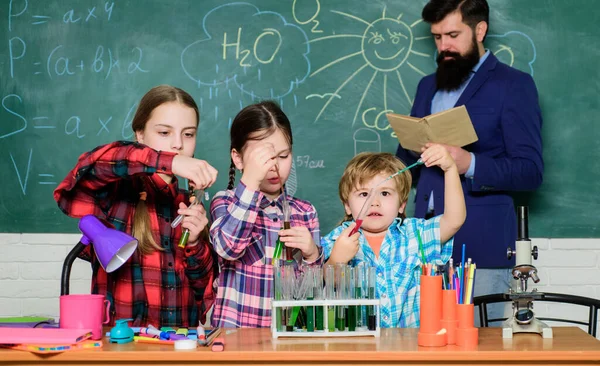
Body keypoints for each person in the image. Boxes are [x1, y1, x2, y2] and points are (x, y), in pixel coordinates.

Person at [395, 0, 544, 318]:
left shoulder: (514, 86)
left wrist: (470, 164)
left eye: (452, 35)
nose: (443, 46)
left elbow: (530, 171)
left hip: (481, 246)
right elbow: (405, 163)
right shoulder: (427, 86)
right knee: (427, 343)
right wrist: (411, 146)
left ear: (480, 30)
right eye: (437, 37)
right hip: (424, 245)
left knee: (477, 345)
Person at [54, 85, 218, 327]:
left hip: (179, 350)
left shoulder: (190, 204)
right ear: (140, 135)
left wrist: (195, 244)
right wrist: (168, 162)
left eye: (188, 134)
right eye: (164, 132)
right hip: (122, 353)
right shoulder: (115, 192)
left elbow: (203, 300)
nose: (178, 145)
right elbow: (91, 166)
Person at [321, 148, 466, 327]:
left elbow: (454, 220)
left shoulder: (415, 234)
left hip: (413, 348)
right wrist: (336, 260)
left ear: (401, 205)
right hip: (359, 349)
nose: (375, 202)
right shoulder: (337, 240)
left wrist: (450, 169)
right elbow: (322, 286)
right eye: (364, 194)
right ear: (347, 206)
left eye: (385, 193)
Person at [210, 100, 321, 328]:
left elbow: (313, 294)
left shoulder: (305, 212)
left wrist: (311, 255)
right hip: (235, 342)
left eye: (283, 156)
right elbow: (228, 248)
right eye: (263, 158)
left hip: (288, 340)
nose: (274, 166)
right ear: (238, 158)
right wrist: (251, 180)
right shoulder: (225, 201)